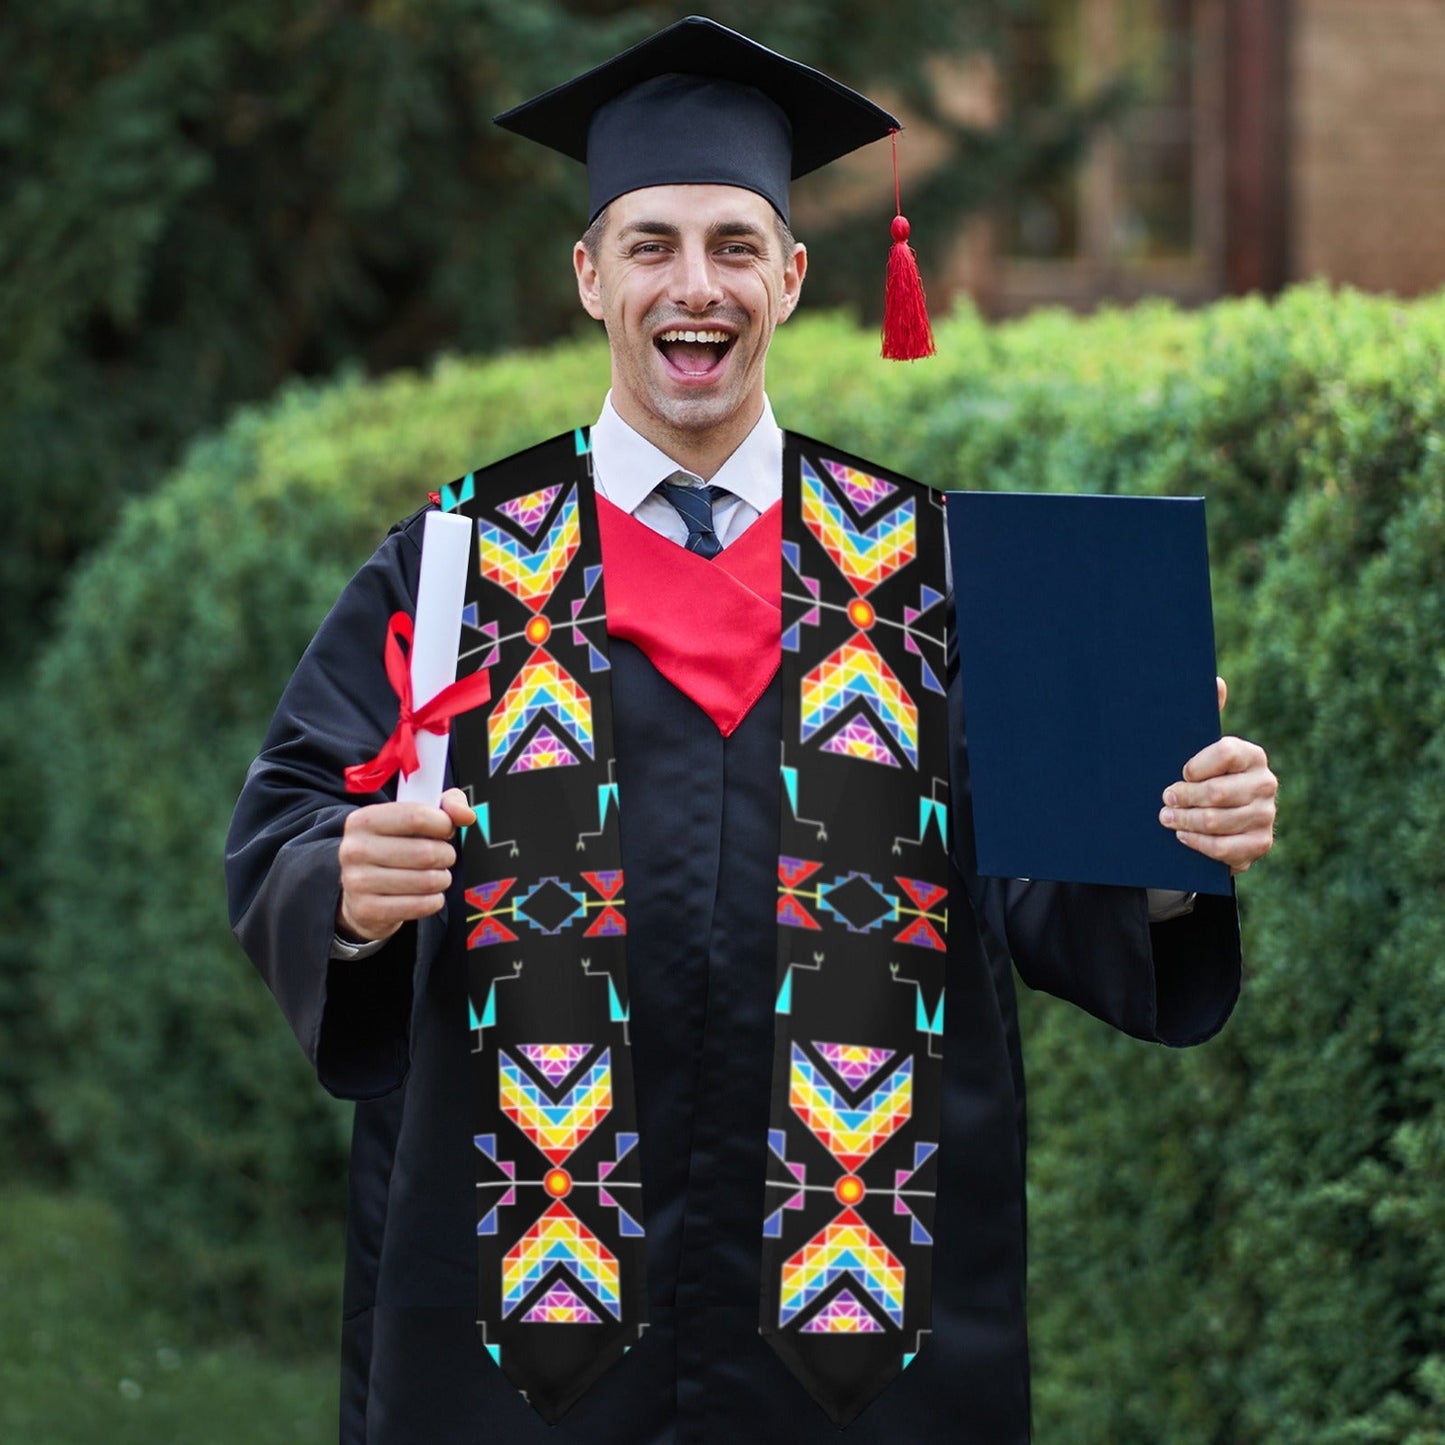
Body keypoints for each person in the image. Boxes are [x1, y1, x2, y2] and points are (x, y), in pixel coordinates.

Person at [225, 17, 1277, 1445]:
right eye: (649, 245)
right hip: (526, 1316)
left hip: (858, 1319)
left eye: (734, 245)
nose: (694, 286)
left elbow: (1044, 884)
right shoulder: (459, 566)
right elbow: (291, 820)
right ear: (589, 276)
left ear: (790, 276)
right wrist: (344, 888)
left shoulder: (931, 572)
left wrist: (1168, 847)